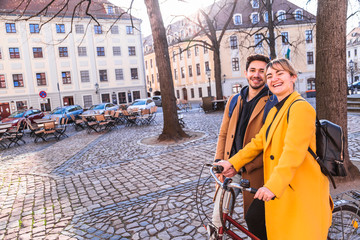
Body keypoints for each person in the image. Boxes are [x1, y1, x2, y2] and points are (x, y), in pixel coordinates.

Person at [216, 58, 333, 239]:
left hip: (298, 186)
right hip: (281, 185)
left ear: (293, 77)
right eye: (269, 75)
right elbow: (258, 142)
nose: (274, 79)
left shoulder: (301, 108)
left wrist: (272, 186)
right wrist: (232, 163)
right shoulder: (275, 110)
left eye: (280, 73)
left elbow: (293, 153)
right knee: (255, 218)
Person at [209, 54, 277, 240]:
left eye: (262, 71)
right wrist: (219, 162)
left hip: (256, 171)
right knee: (217, 221)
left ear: (267, 74)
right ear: (246, 73)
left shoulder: (272, 102)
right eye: (253, 70)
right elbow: (223, 135)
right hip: (230, 168)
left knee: (254, 220)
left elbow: (267, 143)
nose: (257, 75)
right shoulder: (234, 100)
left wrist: (244, 165)